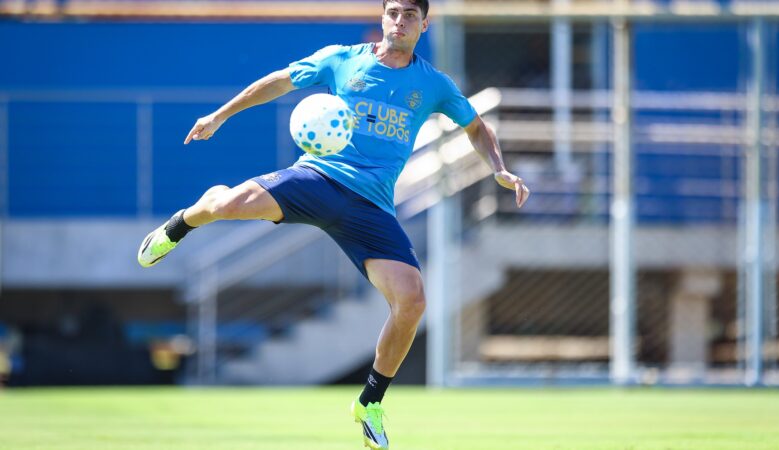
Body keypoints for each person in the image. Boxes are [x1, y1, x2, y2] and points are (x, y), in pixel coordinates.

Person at [138, 0, 529, 447]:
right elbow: (279, 81)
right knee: (228, 204)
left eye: (410, 15)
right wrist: (220, 115)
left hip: (372, 207)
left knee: (412, 300)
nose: (400, 22)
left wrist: (498, 168)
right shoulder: (342, 58)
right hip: (318, 178)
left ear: (425, 23)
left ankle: (370, 403)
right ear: (383, 18)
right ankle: (180, 225)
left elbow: (476, 127)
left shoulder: (433, 84)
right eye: (393, 12)